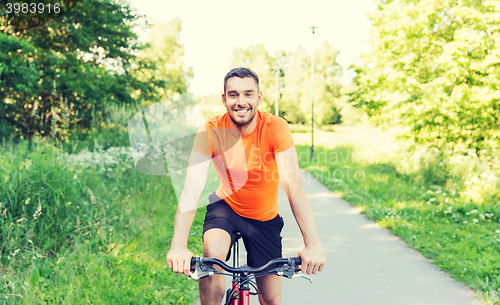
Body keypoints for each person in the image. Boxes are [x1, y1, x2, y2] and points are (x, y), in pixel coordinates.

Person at [166, 67, 326, 305]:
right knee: (211, 259)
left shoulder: (275, 127)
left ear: (258, 97)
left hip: (264, 218)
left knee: (270, 299)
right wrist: (178, 246)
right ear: (224, 99)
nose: (241, 101)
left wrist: (313, 245)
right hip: (225, 209)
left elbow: (293, 186)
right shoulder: (209, 131)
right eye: (233, 95)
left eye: (248, 94)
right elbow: (192, 188)